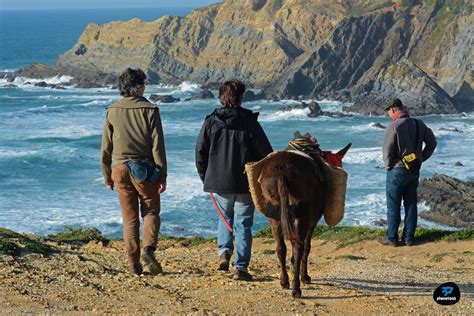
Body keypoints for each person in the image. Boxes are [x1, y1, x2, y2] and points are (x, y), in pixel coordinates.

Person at [195, 80, 273, 281]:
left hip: (219, 182)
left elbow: (200, 152)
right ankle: (241, 267)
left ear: (222, 97)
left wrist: (206, 177)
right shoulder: (250, 122)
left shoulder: (211, 121)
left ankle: (224, 253)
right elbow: (266, 154)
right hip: (246, 183)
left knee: (224, 218)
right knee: (243, 224)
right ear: (241, 97)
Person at [100, 68, 167, 275]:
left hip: (119, 170)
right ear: (138, 87)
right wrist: (162, 175)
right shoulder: (150, 110)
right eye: (143, 84)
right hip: (145, 170)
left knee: (129, 219)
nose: (145, 87)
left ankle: (133, 264)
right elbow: (158, 147)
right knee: (151, 211)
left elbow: (105, 148)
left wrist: (106, 174)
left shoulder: (112, 110)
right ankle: (148, 248)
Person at [379, 98, 437, 247]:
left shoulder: (394, 126)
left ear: (393, 110)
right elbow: (432, 143)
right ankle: (409, 238)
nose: (388, 115)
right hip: (414, 169)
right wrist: (421, 158)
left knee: (393, 206)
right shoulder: (419, 124)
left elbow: (387, 151)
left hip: (397, 170)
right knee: (411, 204)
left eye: (388, 112)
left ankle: (392, 238)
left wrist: (388, 166)